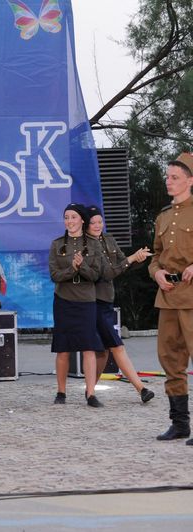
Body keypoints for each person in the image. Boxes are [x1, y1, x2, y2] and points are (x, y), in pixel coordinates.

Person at [85, 205, 154, 403]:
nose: (98, 225)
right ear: (86, 225)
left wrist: (137, 258)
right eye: (93, 222)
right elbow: (107, 273)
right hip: (93, 301)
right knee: (117, 346)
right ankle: (141, 388)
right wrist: (130, 259)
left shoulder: (109, 239)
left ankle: (90, 391)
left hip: (107, 299)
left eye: (100, 221)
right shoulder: (84, 244)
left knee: (103, 351)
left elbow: (123, 264)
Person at [148, 153, 193, 443]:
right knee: (170, 360)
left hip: (192, 296)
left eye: (175, 177)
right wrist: (157, 273)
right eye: (167, 177)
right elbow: (156, 256)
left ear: (190, 181)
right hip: (167, 296)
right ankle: (180, 423)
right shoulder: (163, 216)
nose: (169, 181)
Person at [49, 203, 104, 407]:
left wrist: (82, 266)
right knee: (63, 348)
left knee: (89, 347)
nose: (69, 221)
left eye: (73, 217)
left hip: (86, 301)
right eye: (66, 217)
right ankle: (61, 392)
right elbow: (55, 275)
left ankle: (90, 393)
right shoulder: (57, 244)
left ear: (82, 220)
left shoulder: (94, 244)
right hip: (63, 300)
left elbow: (96, 275)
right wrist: (72, 268)